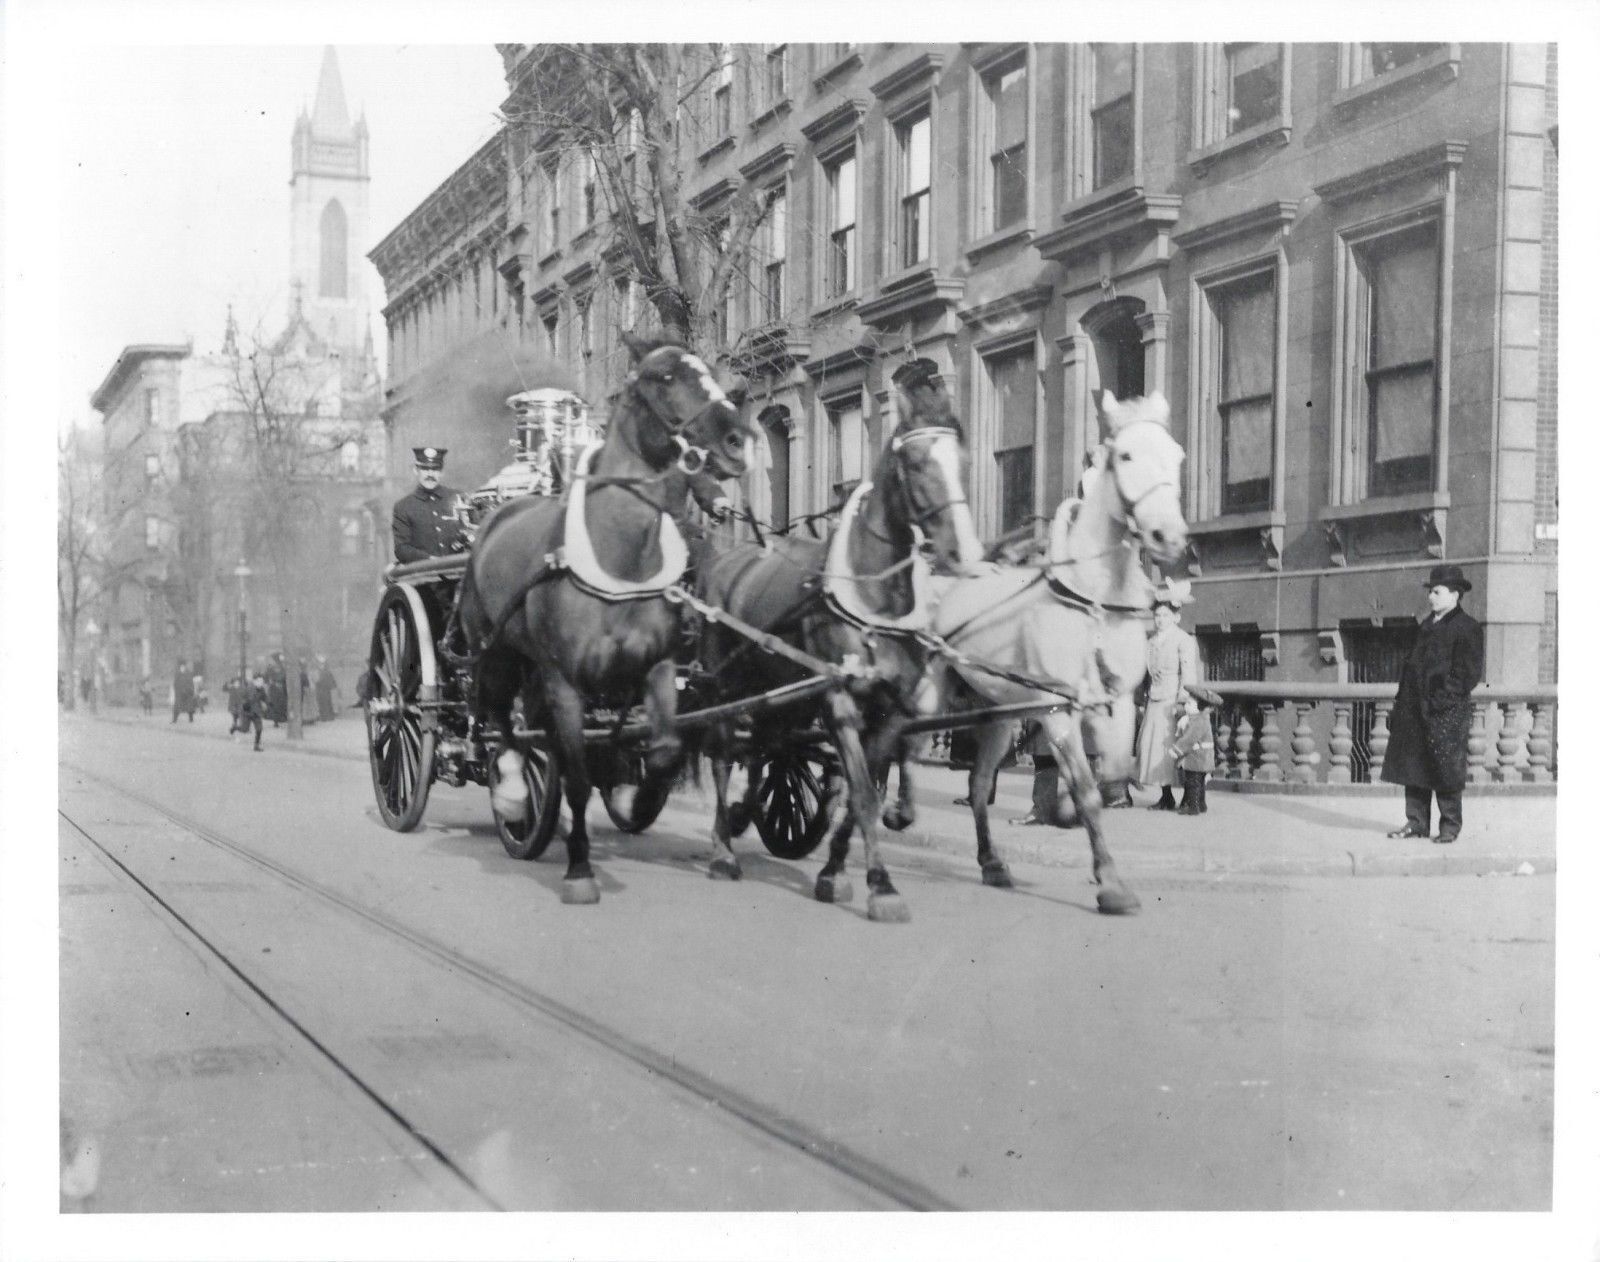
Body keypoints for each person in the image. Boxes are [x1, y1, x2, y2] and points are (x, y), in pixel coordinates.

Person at [1382, 564, 1485, 844]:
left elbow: (1467, 674)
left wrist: (1440, 701)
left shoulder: (1467, 628)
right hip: (1414, 711)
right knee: (1414, 768)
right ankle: (1416, 823)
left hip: (1445, 712)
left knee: (1446, 770)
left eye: (1436, 592)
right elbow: (1410, 669)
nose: (1430, 597)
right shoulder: (1426, 626)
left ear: (1454, 594)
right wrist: (1400, 705)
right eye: (1430, 592)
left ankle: (1450, 828)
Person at [1134, 578, 1199, 810]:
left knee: (1177, 748)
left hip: (1174, 701)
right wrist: (1142, 699)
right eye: (1157, 616)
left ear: (1175, 618)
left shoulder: (1183, 640)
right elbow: (1145, 674)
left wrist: (1183, 703)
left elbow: (1188, 673)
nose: (1160, 620)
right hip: (1155, 699)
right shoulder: (1150, 642)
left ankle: (1188, 797)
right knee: (1156, 751)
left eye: (1165, 616)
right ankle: (1166, 795)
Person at [392, 446, 468, 564]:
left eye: (435, 469)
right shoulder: (403, 507)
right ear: (416, 470)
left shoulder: (458, 498)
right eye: (425, 469)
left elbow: (474, 533)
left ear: (442, 472)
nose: (430, 474)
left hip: (459, 574)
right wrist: (430, 560)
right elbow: (402, 549)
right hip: (425, 575)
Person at [1168, 686, 1221, 815]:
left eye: (1190, 704)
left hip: (1196, 758)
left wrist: (1176, 750)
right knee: (1200, 784)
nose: (1186, 706)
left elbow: (1189, 738)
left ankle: (1193, 806)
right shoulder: (1200, 718)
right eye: (1186, 703)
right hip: (1202, 758)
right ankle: (1201, 804)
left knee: (1192, 783)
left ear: (1200, 707)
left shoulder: (1198, 721)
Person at [170, 659, 196, 723]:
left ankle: (191, 719)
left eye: (183, 666)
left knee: (189, 707)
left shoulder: (188, 673)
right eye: (181, 666)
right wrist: (177, 690)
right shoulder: (177, 673)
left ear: (185, 666)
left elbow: (191, 683)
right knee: (177, 707)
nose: (182, 667)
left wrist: (190, 690)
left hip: (187, 693)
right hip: (179, 693)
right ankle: (174, 720)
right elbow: (175, 683)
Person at [314, 656, 338, 722]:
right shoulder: (323, 672)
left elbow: (331, 681)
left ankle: (326, 716)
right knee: (324, 702)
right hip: (322, 689)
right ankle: (327, 716)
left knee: (325, 702)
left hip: (324, 689)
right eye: (319, 664)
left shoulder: (326, 672)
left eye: (321, 664)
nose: (320, 665)